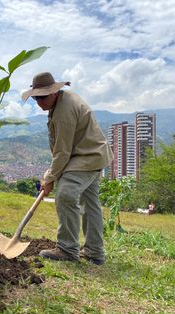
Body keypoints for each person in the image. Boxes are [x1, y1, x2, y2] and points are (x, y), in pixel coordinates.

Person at [22, 72, 113, 265]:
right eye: (36, 97)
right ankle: (95, 252)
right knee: (90, 203)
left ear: (54, 92)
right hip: (92, 154)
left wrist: (49, 178)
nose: (39, 102)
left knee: (65, 193)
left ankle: (67, 249)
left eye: (43, 97)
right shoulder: (61, 102)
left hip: (86, 157)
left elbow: (62, 152)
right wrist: (51, 177)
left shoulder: (64, 111)